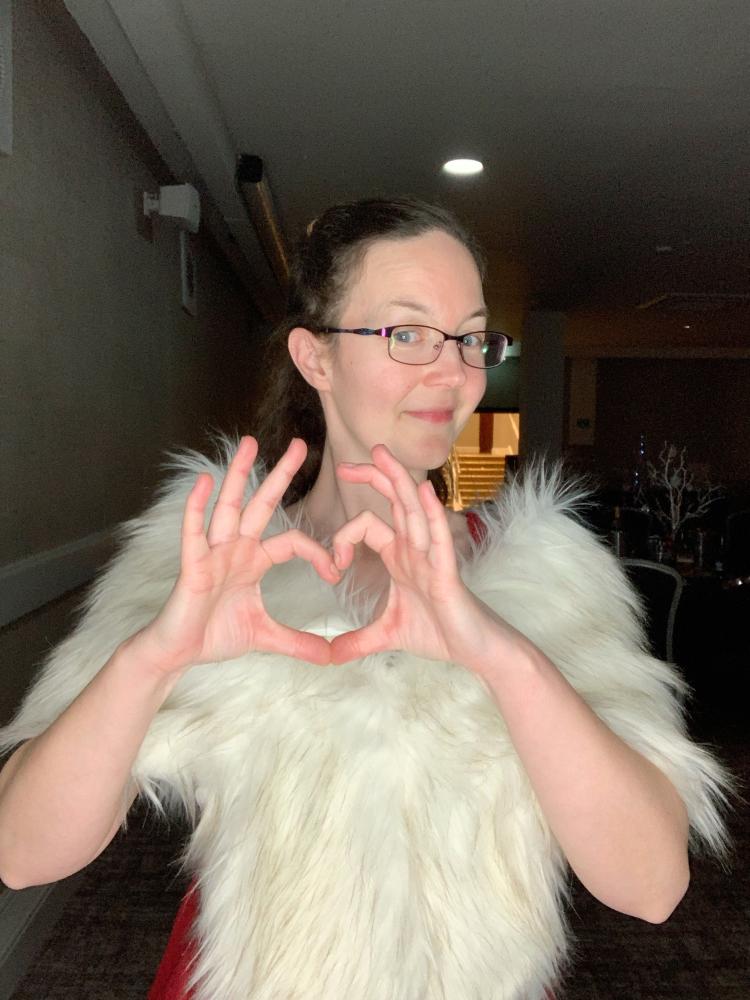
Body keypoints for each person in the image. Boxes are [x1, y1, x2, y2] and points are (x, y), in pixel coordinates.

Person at [0, 198, 729, 1000]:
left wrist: (501, 654)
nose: (453, 373)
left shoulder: (545, 573)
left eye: (471, 337)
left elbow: (651, 886)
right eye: (406, 333)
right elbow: (24, 852)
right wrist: (155, 657)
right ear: (315, 357)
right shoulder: (208, 558)